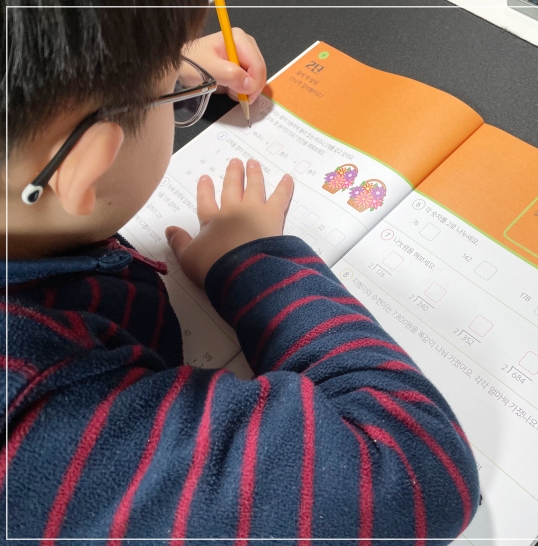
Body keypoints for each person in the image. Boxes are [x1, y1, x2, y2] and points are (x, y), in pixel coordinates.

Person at [2, 1, 480, 542]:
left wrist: (148, 71)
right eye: (172, 95)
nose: (182, 90)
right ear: (88, 165)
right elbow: (412, 475)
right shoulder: (47, 426)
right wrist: (254, 263)